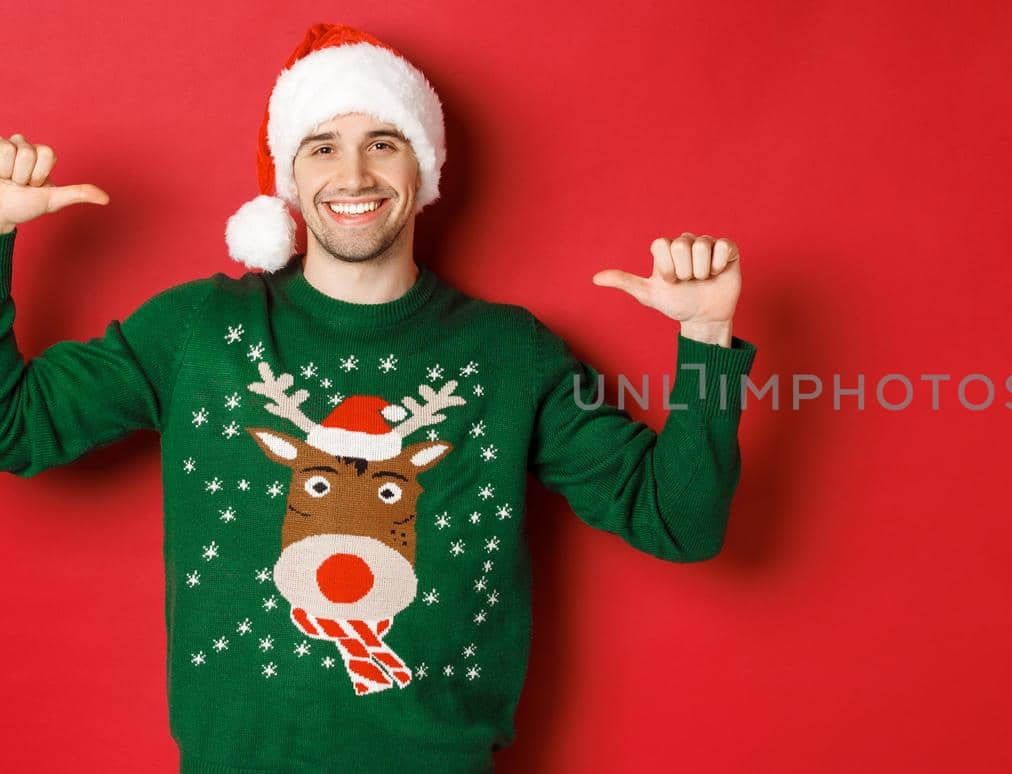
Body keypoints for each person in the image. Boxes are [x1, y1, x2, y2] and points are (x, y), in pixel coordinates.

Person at [0, 22, 756, 773]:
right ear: (289, 178)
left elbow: (679, 521)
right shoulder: (200, 329)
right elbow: (17, 429)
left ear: (421, 169)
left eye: (383, 142)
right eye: (322, 145)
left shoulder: (509, 354)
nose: (354, 175)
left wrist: (708, 339)